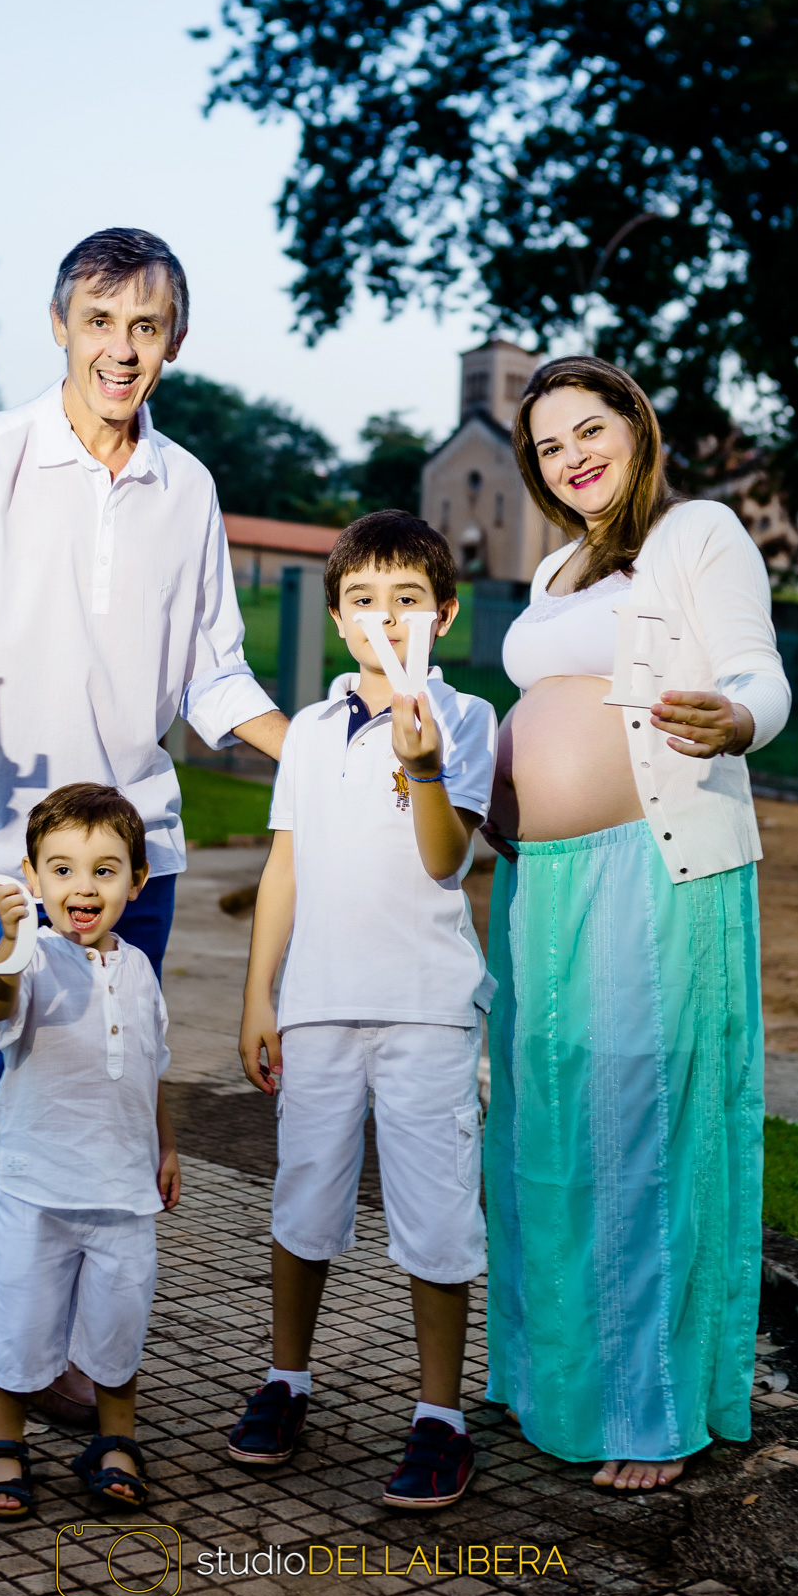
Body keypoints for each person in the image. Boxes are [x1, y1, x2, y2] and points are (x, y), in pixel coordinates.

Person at [0, 228, 288, 1449]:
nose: (121, 347)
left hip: (127, 854)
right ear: (61, 325)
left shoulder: (188, 489)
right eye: (100, 320)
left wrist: (315, 749)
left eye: (145, 325)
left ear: (175, 341)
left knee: (98, 1117)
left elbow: (212, 672)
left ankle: (48, 1353)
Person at [482, 355, 790, 1490]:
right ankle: (552, 1379)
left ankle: (649, 1408)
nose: (571, 456)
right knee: (543, 1133)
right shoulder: (556, 566)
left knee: (641, 1133)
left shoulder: (697, 532)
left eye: (588, 429)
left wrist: (738, 720)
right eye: (548, 445)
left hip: (651, 868)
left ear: (635, 425)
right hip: (539, 879)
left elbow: (759, 671)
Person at [231, 512, 497, 1509]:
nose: (385, 617)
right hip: (318, 1005)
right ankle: (285, 1380)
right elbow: (284, 868)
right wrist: (258, 995)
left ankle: (440, 1417)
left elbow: (445, 859)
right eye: (363, 599)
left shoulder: (468, 719)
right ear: (339, 619)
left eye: (407, 598)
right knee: (303, 1197)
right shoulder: (307, 731)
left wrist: (421, 763)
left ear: (444, 614)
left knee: (435, 1211)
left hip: (426, 1008)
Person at [0, 783, 180, 1519]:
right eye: (61, 870)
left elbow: (150, 1065)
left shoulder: (140, 970)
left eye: (104, 870)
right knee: (19, 1322)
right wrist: (6, 947)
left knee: (118, 1327)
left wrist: (166, 1146)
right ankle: (4, 1445)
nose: (82, 887)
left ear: (136, 881)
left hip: (123, 1194)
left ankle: (115, 1441)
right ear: (31, 877)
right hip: (35, 1190)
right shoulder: (26, 960)